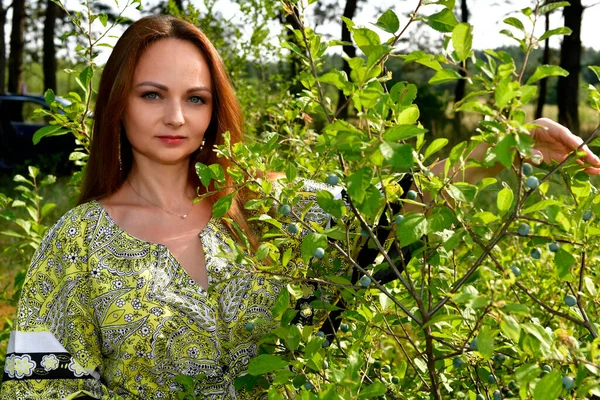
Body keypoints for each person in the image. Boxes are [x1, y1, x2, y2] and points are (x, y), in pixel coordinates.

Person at [2, 13, 600, 400]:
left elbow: (395, 202)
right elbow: (37, 390)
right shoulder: (76, 243)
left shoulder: (263, 206)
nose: (177, 117)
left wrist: (509, 152)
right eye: (152, 94)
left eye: (197, 97)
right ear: (118, 103)